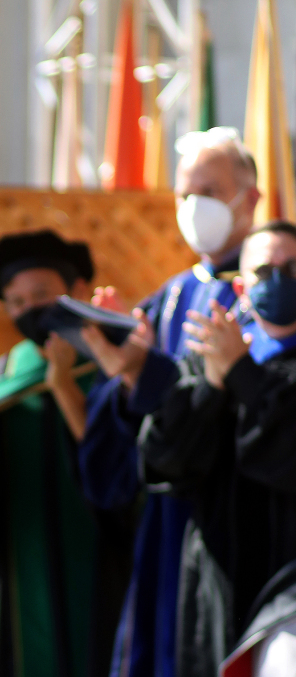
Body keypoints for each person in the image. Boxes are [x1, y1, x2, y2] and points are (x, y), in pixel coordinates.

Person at [78, 127, 259, 677]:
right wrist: (124, 368)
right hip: (167, 516)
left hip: (236, 513)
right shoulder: (172, 295)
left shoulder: (269, 294)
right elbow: (132, 432)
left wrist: (145, 371)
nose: (194, 206)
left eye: (209, 191)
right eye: (185, 194)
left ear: (249, 197)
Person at [0, 230, 132, 677]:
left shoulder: (114, 370)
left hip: (106, 568)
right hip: (20, 574)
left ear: (77, 291)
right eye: (15, 302)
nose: (29, 309)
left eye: (41, 294)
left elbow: (127, 481)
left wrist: (66, 386)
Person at [138, 220, 296, 677]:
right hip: (219, 576)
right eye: (265, 270)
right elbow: (164, 461)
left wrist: (241, 373)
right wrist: (211, 384)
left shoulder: (238, 359)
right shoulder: (207, 356)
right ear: (241, 287)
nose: (280, 279)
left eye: (292, 268)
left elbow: (285, 456)